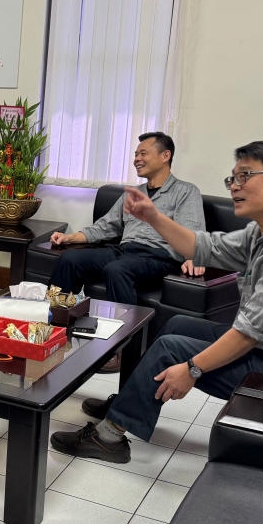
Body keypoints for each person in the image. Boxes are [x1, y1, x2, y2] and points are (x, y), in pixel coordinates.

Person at [51, 141, 263, 464]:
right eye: (233, 178)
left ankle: (109, 438)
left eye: (245, 176)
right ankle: (127, 404)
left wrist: (192, 369)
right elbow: (204, 246)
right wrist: (153, 217)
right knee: (177, 325)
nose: (234, 187)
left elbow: (248, 334)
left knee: (171, 349)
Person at [48, 132, 205, 373]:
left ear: (165, 156)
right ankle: (55, 331)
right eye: (135, 154)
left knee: (116, 270)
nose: (137, 159)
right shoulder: (132, 193)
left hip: (158, 256)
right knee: (69, 260)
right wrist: (69, 237)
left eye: (143, 153)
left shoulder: (185, 192)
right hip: (123, 250)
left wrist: (194, 256)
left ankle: (121, 350)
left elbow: (193, 232)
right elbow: (105, 227)